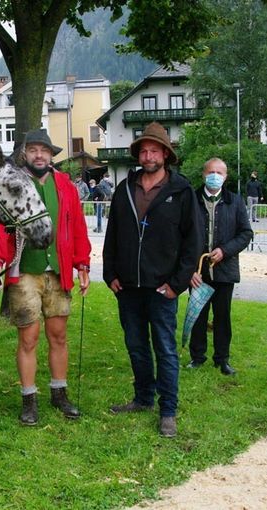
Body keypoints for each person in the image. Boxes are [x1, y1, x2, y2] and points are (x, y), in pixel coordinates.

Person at [0, 129, 91, 426]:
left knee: (58, 335)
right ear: (25, 154)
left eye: (44, 150)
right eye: (33, 150)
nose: (39, 155)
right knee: (28, 338)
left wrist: (82, 264)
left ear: (51, 155)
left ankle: (60, 394)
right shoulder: (15, 184)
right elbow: (1, 229)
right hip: (25, 273)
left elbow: (78, 226)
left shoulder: (65, 186)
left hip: (58, 271)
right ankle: (29, 400)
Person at [102, 122, 200, 438]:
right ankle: (143, 398)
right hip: (128, 287)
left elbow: (193, 243)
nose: (148, 155)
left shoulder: (181, 191)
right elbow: (112, 236)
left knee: (165, 349)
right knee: (136, 346)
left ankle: (167, 410)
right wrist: (110, 274)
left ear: (165, 155)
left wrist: (177, 283)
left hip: (162, 289)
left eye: (154, 150)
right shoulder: (124, 190)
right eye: (143, 150)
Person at [187, 158, 253, 376]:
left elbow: (245, 233)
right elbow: (179, 235)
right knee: (198, 315)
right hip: (198, 272)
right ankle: (197, 357)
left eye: (220, 172)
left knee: (222, 316)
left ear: (226, 177)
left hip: (225, 271)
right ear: (203, 174)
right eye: (211, 171)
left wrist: (225, 250)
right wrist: (188, 270)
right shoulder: (191, 200)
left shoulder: (235, 201)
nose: (215, 175)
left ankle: (222, 359)